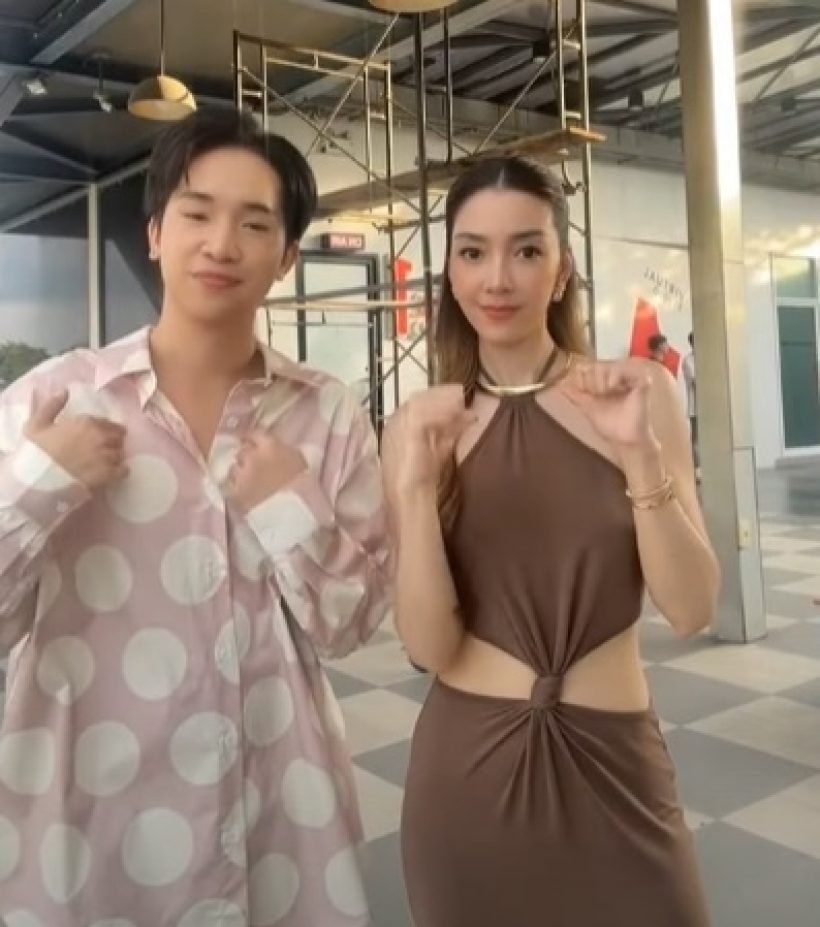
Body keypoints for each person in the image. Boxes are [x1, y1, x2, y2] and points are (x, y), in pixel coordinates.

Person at [0, 109, 391, 926]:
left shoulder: (326, 414)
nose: (221, 244)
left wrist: (292, 511)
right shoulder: (57, 400)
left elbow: (351, 627)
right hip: (90, 824)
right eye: (197, 212)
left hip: (278, 812)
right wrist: (41, 482)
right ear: (154, 233)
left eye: (255, 224)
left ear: (287, 257)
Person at [382, 155, 719, 926]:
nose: (498, 278)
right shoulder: (419, 426)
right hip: (465, 782)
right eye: (473, 252)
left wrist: (637, 454)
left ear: (563, 270)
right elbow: (429, 645)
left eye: (527, 249)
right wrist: (415, 489)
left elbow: (693, 607)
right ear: (450, 274)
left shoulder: (641, 392)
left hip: (619, 769)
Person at [682, 331, 699, 472]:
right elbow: (695, 382)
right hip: (696, 407)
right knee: (696, 440)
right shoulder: (688, 360)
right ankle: (697, 469)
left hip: (711, 407)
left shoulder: (708, 358)